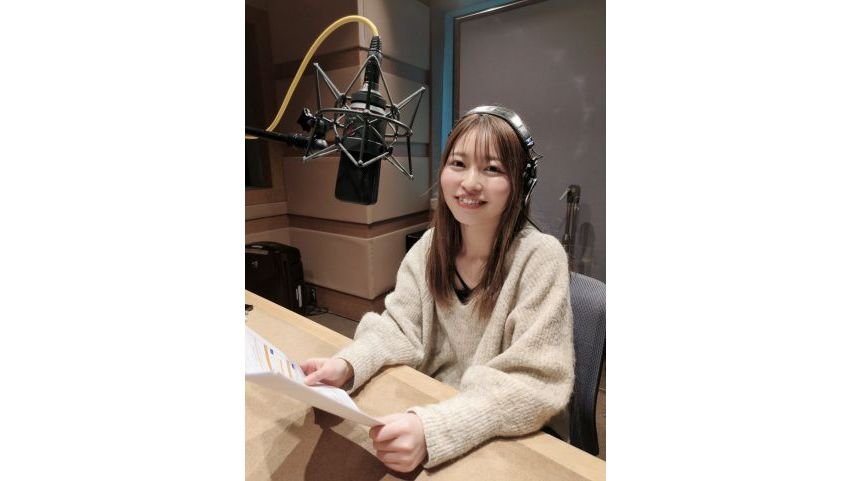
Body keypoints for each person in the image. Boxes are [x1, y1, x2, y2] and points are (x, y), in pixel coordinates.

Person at [300, 106, 574, 472]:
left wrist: (435, 429)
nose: (470, 182)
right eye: (458, 164)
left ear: (521, 182)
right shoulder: (430, 247)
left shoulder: (540, 258)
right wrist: (347, 364)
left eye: (492, 169)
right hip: (432, 406)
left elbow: (533, 382)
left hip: (505, 436)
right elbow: (399, 328)